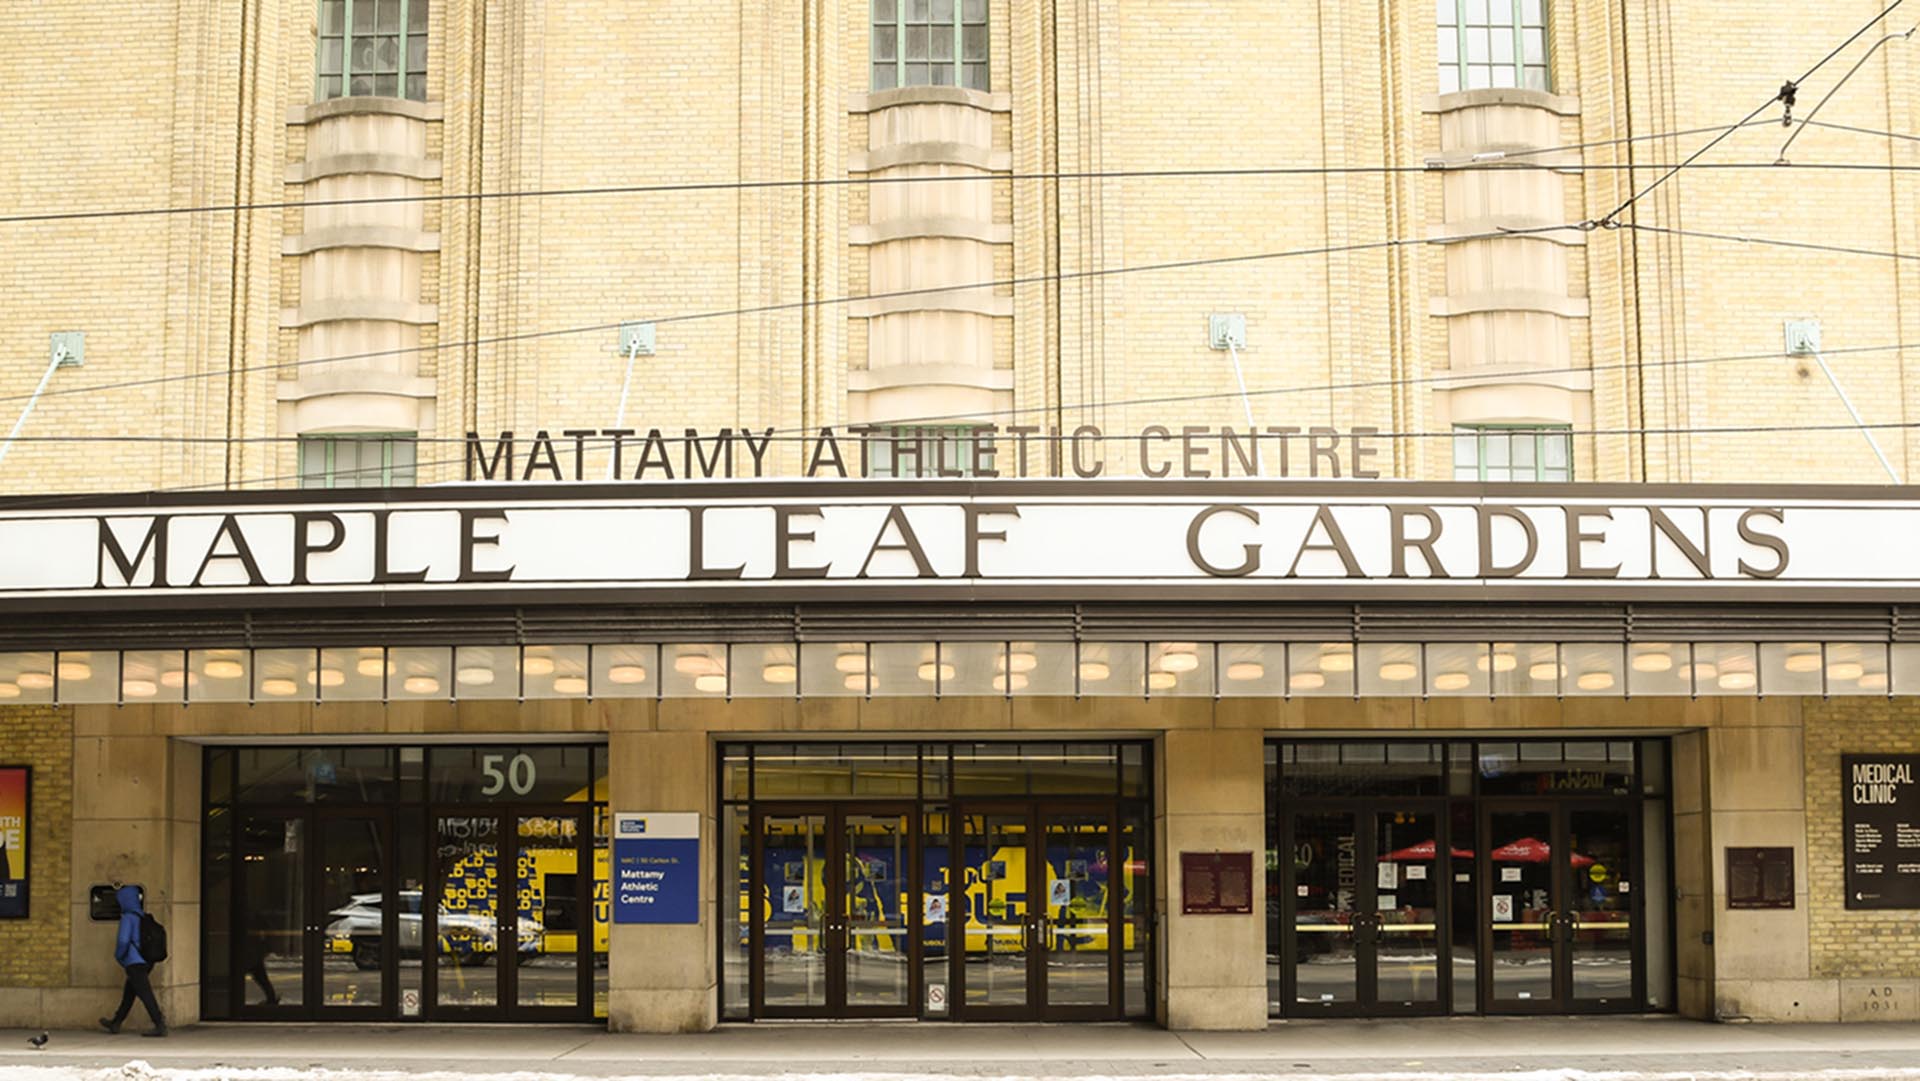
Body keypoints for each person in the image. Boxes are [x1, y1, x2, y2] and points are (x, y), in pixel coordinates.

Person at [99, 885, 166, 1037]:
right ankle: (116, 1022)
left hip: (134, 962)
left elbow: (123, 941)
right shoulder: (143, 917)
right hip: (146, 961)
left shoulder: (128, 918)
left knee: (145, 994)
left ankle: (159, 1024)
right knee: (129, 993)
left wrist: (119, 956)